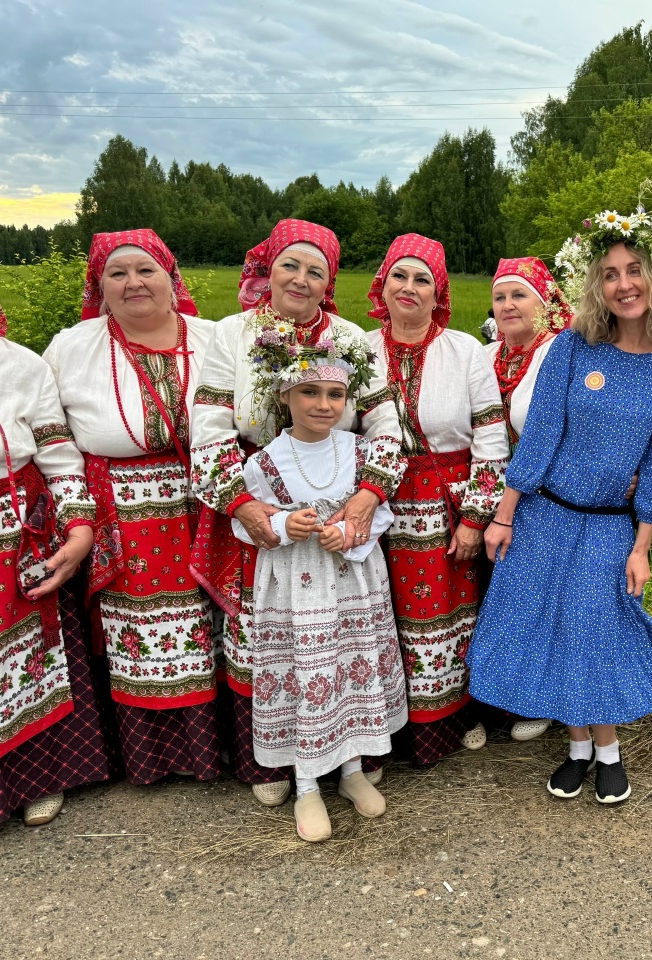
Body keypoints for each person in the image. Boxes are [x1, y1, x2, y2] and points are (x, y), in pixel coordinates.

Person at [468, 206, 652, 805]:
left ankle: (609, 751)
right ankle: (577, 749)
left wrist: (642, 545)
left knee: (598, 632)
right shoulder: (575, 348)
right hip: (545, 515)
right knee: (552, 629)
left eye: (634, 270)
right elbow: (541, 433)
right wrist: (504, 514)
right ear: (596, 285)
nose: (623, 284)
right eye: (609, 273)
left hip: (609, 528)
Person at [190, 219, 405, 807]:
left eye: (316, 271)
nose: (301, 280)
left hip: (342, 491)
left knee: (345, 639)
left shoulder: (349, 338)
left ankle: (353, 757)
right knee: (275, 638)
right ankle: (283, 764)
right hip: (258, 494)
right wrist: (244, 504)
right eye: (291, 265)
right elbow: (209, 426)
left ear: (328, 282)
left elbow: (385, 426)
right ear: (268, 268)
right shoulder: (234, 334)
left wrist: (368, 495)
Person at [0, 237, 109, 831]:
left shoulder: (21, 366)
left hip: (12, 537)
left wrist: (80, 527)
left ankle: (38, 779)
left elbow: (59, 457)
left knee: (24, 665)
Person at [44, 229, 223, 786]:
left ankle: (221, 750)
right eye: (117, 273)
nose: (133, 283)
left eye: (146, 270)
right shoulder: (71, 347)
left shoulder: (214, 338)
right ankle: (154, 759)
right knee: (142, 638)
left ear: (172, 278)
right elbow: (53, 441)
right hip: (124, 513)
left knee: (218, 627)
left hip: (210, 507)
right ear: (99, 286)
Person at [231, 351, 407, 842]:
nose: (324, 405)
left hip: (353, 580)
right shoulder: (264, 462)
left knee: (351, 665)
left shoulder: (359, 451)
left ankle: (352, 769)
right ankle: (306, 783)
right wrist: (284, 525)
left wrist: (349, 533)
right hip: (296, 586)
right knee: (306, 670)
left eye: (336, 395)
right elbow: (246, 524)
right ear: (285, 395)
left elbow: (380, 513)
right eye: (310, 392)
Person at [362, 234, 509, 766]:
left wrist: (474, 518)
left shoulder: (464, 350)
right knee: (381, 615)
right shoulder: (358, 348)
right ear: (383, 285)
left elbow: (491, 440)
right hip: (376, 505)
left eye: (422, 279)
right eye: (399, 276)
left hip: (445, 505)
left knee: (449, 616)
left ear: (438, 292)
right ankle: (383, 729)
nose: (409, 287)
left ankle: (453, 719)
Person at [484, 256, 573, 744]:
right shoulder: (487, 355)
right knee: (506, 598)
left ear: (545, 303)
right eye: (499, 297)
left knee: (544, 596)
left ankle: (546, 698)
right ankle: (506, 692)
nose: (508, 305)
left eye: (519, 295)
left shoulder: (559, 351)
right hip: (491, 488)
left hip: (546, 494)